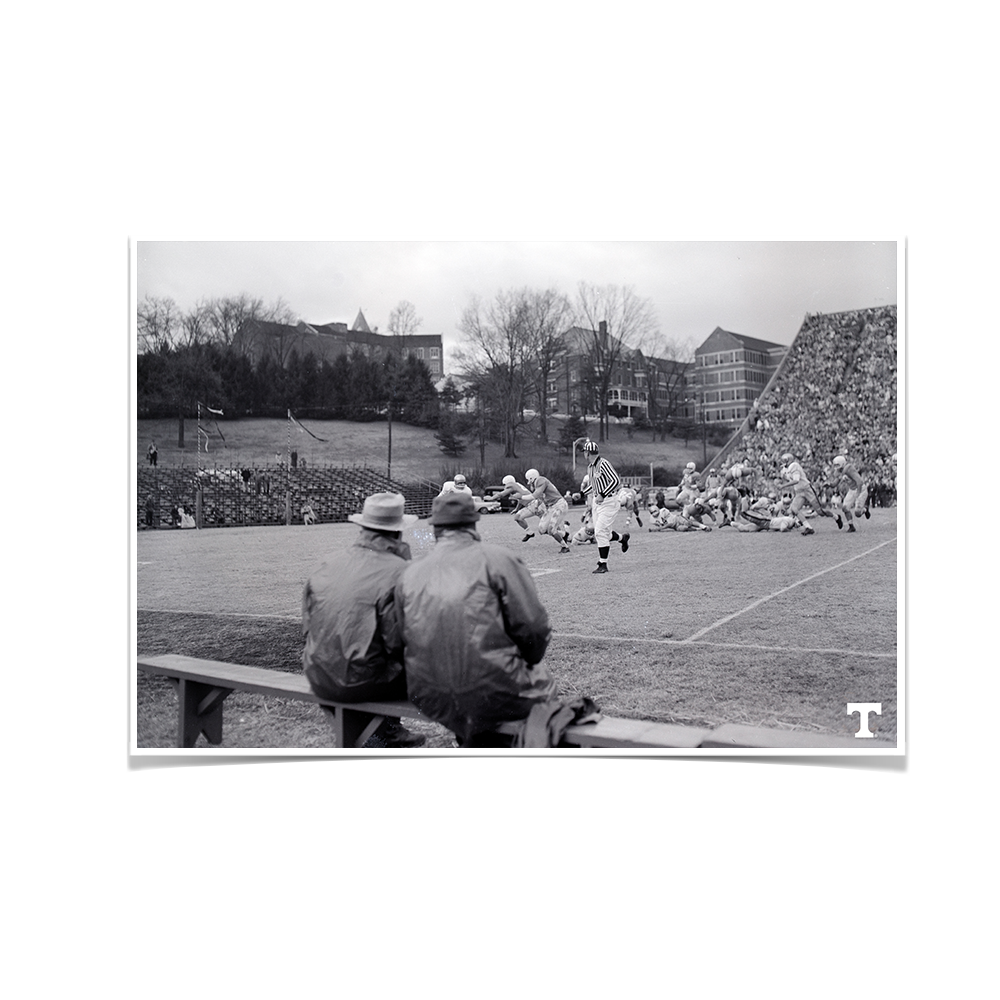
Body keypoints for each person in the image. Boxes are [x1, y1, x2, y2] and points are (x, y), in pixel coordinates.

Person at [391, 491, 555, 747]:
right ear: (473, 522)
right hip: (492, 693)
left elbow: (403, 636)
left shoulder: (410, 572)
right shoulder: (500, 560)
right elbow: (534, 631)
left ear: (435, 527)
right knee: (540, 684)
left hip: (428, 693)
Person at [301, 492, 426, 748]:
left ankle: (386, 729)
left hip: (319, 673)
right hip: (362, 682)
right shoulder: (401, 571)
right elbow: (400, 642)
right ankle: (384, 731)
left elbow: (308, 625)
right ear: (398, 531)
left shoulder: (328, 562)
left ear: (362, 527)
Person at [582, 440, 630, 573]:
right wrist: (581, 493)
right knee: (604, 534)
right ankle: (622, 538)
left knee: (600, 532)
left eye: (584, 452)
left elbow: (615, 480)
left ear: (588, 452)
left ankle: (603, 564)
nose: (584, 454)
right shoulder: (590, 467)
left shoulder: (603, 463)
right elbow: (593, 486)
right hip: (597, 503)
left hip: (609, 501)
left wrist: (603, 494)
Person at [523, 468, 572, 552]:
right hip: (551, 507)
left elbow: (535, 495)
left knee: (552, 529)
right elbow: (540, 498)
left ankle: (565, 547)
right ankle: (564, 534)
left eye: (529, 480)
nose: (529, 483)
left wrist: (521, 497)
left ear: (532, 478)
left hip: (559, 505)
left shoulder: (540, 480)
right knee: (542, 529)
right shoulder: (538, 484)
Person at [831, 454, 869, 532]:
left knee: (857, 513)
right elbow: (835, 483)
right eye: (835, 465)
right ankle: (851, 526)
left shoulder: (849, 469)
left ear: (842, 463)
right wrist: (830, 485)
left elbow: (860, 482)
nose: (836, 467)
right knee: (845, 508)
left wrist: (858, 494)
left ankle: (864, 510)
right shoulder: (838, 472)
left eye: (837, 465)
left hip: (861, 489)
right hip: (852, 490)